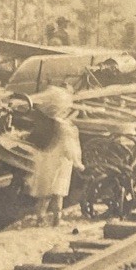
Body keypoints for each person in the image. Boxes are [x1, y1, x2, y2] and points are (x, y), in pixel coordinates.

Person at [28, 87, 83, 226]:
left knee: (44, 194)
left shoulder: (48, 123)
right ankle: (56, 220)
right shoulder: (65, 127)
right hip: (60, 163)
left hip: (47, 158)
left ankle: (40, 219)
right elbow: (69, 147)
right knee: (58, 194)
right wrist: (78, 162)